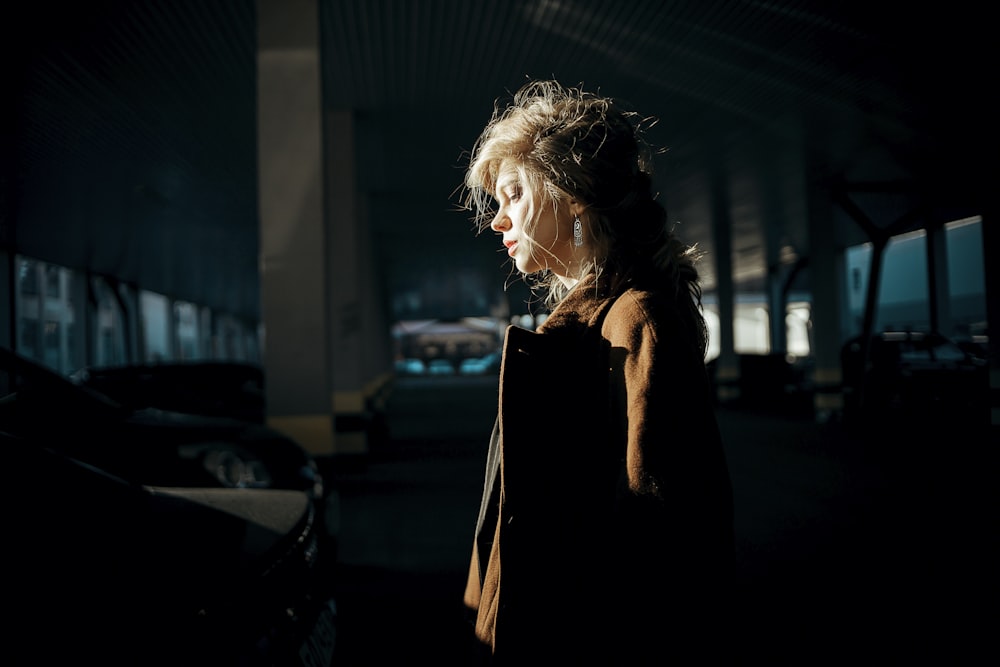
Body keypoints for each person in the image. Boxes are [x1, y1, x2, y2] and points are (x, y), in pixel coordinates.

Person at [457, 79, 736, 664]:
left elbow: (668, 530)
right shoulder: (601, 318)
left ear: (573, 194)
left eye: (512, 194)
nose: (497, 220)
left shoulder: (637, 321)